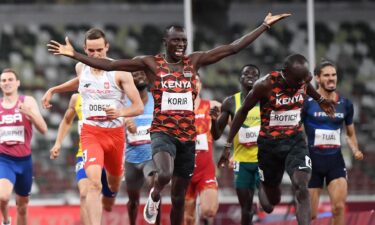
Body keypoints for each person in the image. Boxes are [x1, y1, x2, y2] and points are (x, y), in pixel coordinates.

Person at [47, 12, 291, 225]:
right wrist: (76, 55)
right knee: (163, 174)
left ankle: (160, 202)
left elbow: (232, 48)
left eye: (184, 40)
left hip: (187, 137)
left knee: (177, 197)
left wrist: (264, 26)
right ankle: (154, 196)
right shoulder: (151, 63)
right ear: (166, 42)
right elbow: (109, 66)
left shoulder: (193, 62)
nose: (181, 44)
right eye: (176, 40)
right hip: (162, 132)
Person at [219, 54, 336, 225]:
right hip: (269, 146)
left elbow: (306, 84)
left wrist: (320, 99)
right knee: (270, 203)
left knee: (301, 186)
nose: (301, 84)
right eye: (298, 81)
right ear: (285, 74)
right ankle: (267, 189)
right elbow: (242, 111)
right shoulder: (265, 85)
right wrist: (228, 144)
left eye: (304, 80)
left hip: (295, 140)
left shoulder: (301, 80)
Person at [44, 28, 144, 225]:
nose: (96, 55)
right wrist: (54, 89)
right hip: (91, 134)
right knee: (93, 184)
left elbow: (138, 106)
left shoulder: (120, 73)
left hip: (115, 135)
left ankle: (111, 192)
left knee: (113, 184)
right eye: (91, 51)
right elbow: (80, 83)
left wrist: (121, 113)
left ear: (107, 47)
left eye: (100, 50)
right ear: (84, 49)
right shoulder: (82, 68)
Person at [302, 60, 364, 225]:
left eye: (334, 75)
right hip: (312, 163)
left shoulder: (345, 104)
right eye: (327, 75)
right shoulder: (307, 104)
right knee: (310, 215)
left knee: (338, 208)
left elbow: (350, 133)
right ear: (317, 78)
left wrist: (355, 149)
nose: (331, 78)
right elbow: (297, 131)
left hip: (335, 162)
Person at [49, 93, 118, 225]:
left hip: (109, 155)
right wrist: (58, 143)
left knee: (107, 198)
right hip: (85, 154)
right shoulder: (76, 98)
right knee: (85, 193)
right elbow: (67, 120)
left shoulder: (111, 93)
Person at [213, 64, 261, 225]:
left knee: (268, 205)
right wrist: (214, 121)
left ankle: (258, 209)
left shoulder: (266, 101)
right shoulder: (230, 102)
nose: (250, 76)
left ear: (259, 80)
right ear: (240, 78)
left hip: (263, 161)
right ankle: (251, 216)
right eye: (246, 73)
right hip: (241, 161)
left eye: (255, 75)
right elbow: (216, 134)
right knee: (245, 207)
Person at [0, 69, 48, 225]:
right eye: (3, 80)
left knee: (22, 206)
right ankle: (6, 220)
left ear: (18, 82)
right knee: (3, 196)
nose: (7, 83)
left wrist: (30, 113)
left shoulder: (28, 101)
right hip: (4, 159)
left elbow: (43, 129)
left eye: (10, 79)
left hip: (24, 161)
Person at [124, 70, 161, 225]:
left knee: (155, 188)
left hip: (151, 156)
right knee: (133, 200)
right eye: (135, 75)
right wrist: (125, 123)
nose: (139, 77)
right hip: (131, 158)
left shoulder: (157, 101)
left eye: (142, 74)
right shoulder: (123, 102)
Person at [184, 74, 221, 225]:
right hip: (183, 173)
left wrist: (233, 150)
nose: (192, 85)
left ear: (200, 85)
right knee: (188, 219)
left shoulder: (212, 106)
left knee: (209, 211)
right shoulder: (174, 112)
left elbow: (237, 122)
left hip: (205, 170)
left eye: (196, 81)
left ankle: (202, 203)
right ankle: (195, 210)